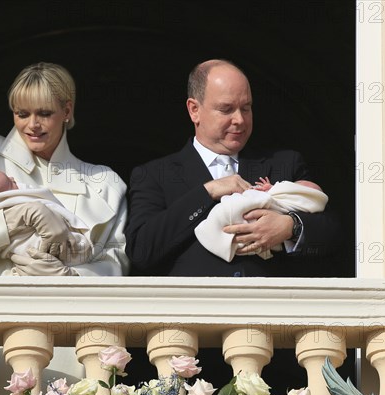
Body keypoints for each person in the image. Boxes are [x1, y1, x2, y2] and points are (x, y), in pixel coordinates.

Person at [125, 59, 339, 277]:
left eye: (246, 108)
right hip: (196, 308)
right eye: (226, 109)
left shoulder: (285, 163)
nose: (239, 119)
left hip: (272, 307)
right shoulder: (154, 175)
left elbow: (332, 232)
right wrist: (207, 192)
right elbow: (141, 251)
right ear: (194, 110)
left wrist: (289, 227)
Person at [0, 62, 128, 277]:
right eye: (22, 114)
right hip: (0, 303)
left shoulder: (106, 181)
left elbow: (116, 260)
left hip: (73, 307)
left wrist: (71, 277)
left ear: (67, 111)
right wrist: (23, 215)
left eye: (44, 113)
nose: (32, 124)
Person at [0, 170, 93, 274]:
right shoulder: (17, 207)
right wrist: (27, 212)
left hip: (69, 266)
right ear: (5, 195)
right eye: (9, 182)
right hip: (31, 256)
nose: (13, 178)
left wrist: (74, 276)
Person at [194, 176, 328, 262]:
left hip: (270, 279)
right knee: (232, 209)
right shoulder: (172, 168)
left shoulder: (289, 160)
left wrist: (291, 225)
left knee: (240, 206)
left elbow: (328, 225)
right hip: (197, 276)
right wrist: (207, 191)